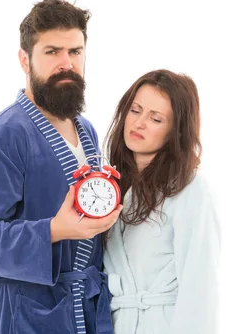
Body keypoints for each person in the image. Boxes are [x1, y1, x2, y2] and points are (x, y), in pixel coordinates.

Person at [0, 0, 122, 334]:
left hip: (83, 310)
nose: (66, 63)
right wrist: (53, 230)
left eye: (75, 52)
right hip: (25, 317)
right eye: (52, 52)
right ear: (24, 59)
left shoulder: (85, 129)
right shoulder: (2, 138)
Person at [103, 69, 221, 333]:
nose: (139, 123)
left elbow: (200, 288)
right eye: (135, 110)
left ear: (175, 132)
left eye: (156, 118)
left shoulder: (190, 190)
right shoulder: (112, 186)